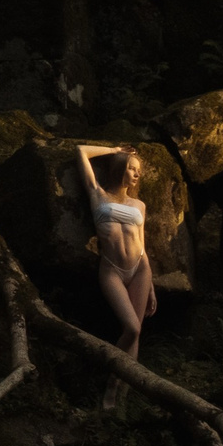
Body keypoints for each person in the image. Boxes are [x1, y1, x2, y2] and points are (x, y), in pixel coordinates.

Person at [77, 142, 154, 358]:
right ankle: (112, 385)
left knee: (135, 336)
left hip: (140, 270)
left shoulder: (139, 205)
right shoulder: (97, 194)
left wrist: (150, 286)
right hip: (112, 270)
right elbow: (81, 151)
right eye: (131, 168)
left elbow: (142, 244)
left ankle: (124, 390)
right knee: (132, 329)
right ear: (119, 168)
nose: (136, 174)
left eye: (139, 171)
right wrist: (115, 151)